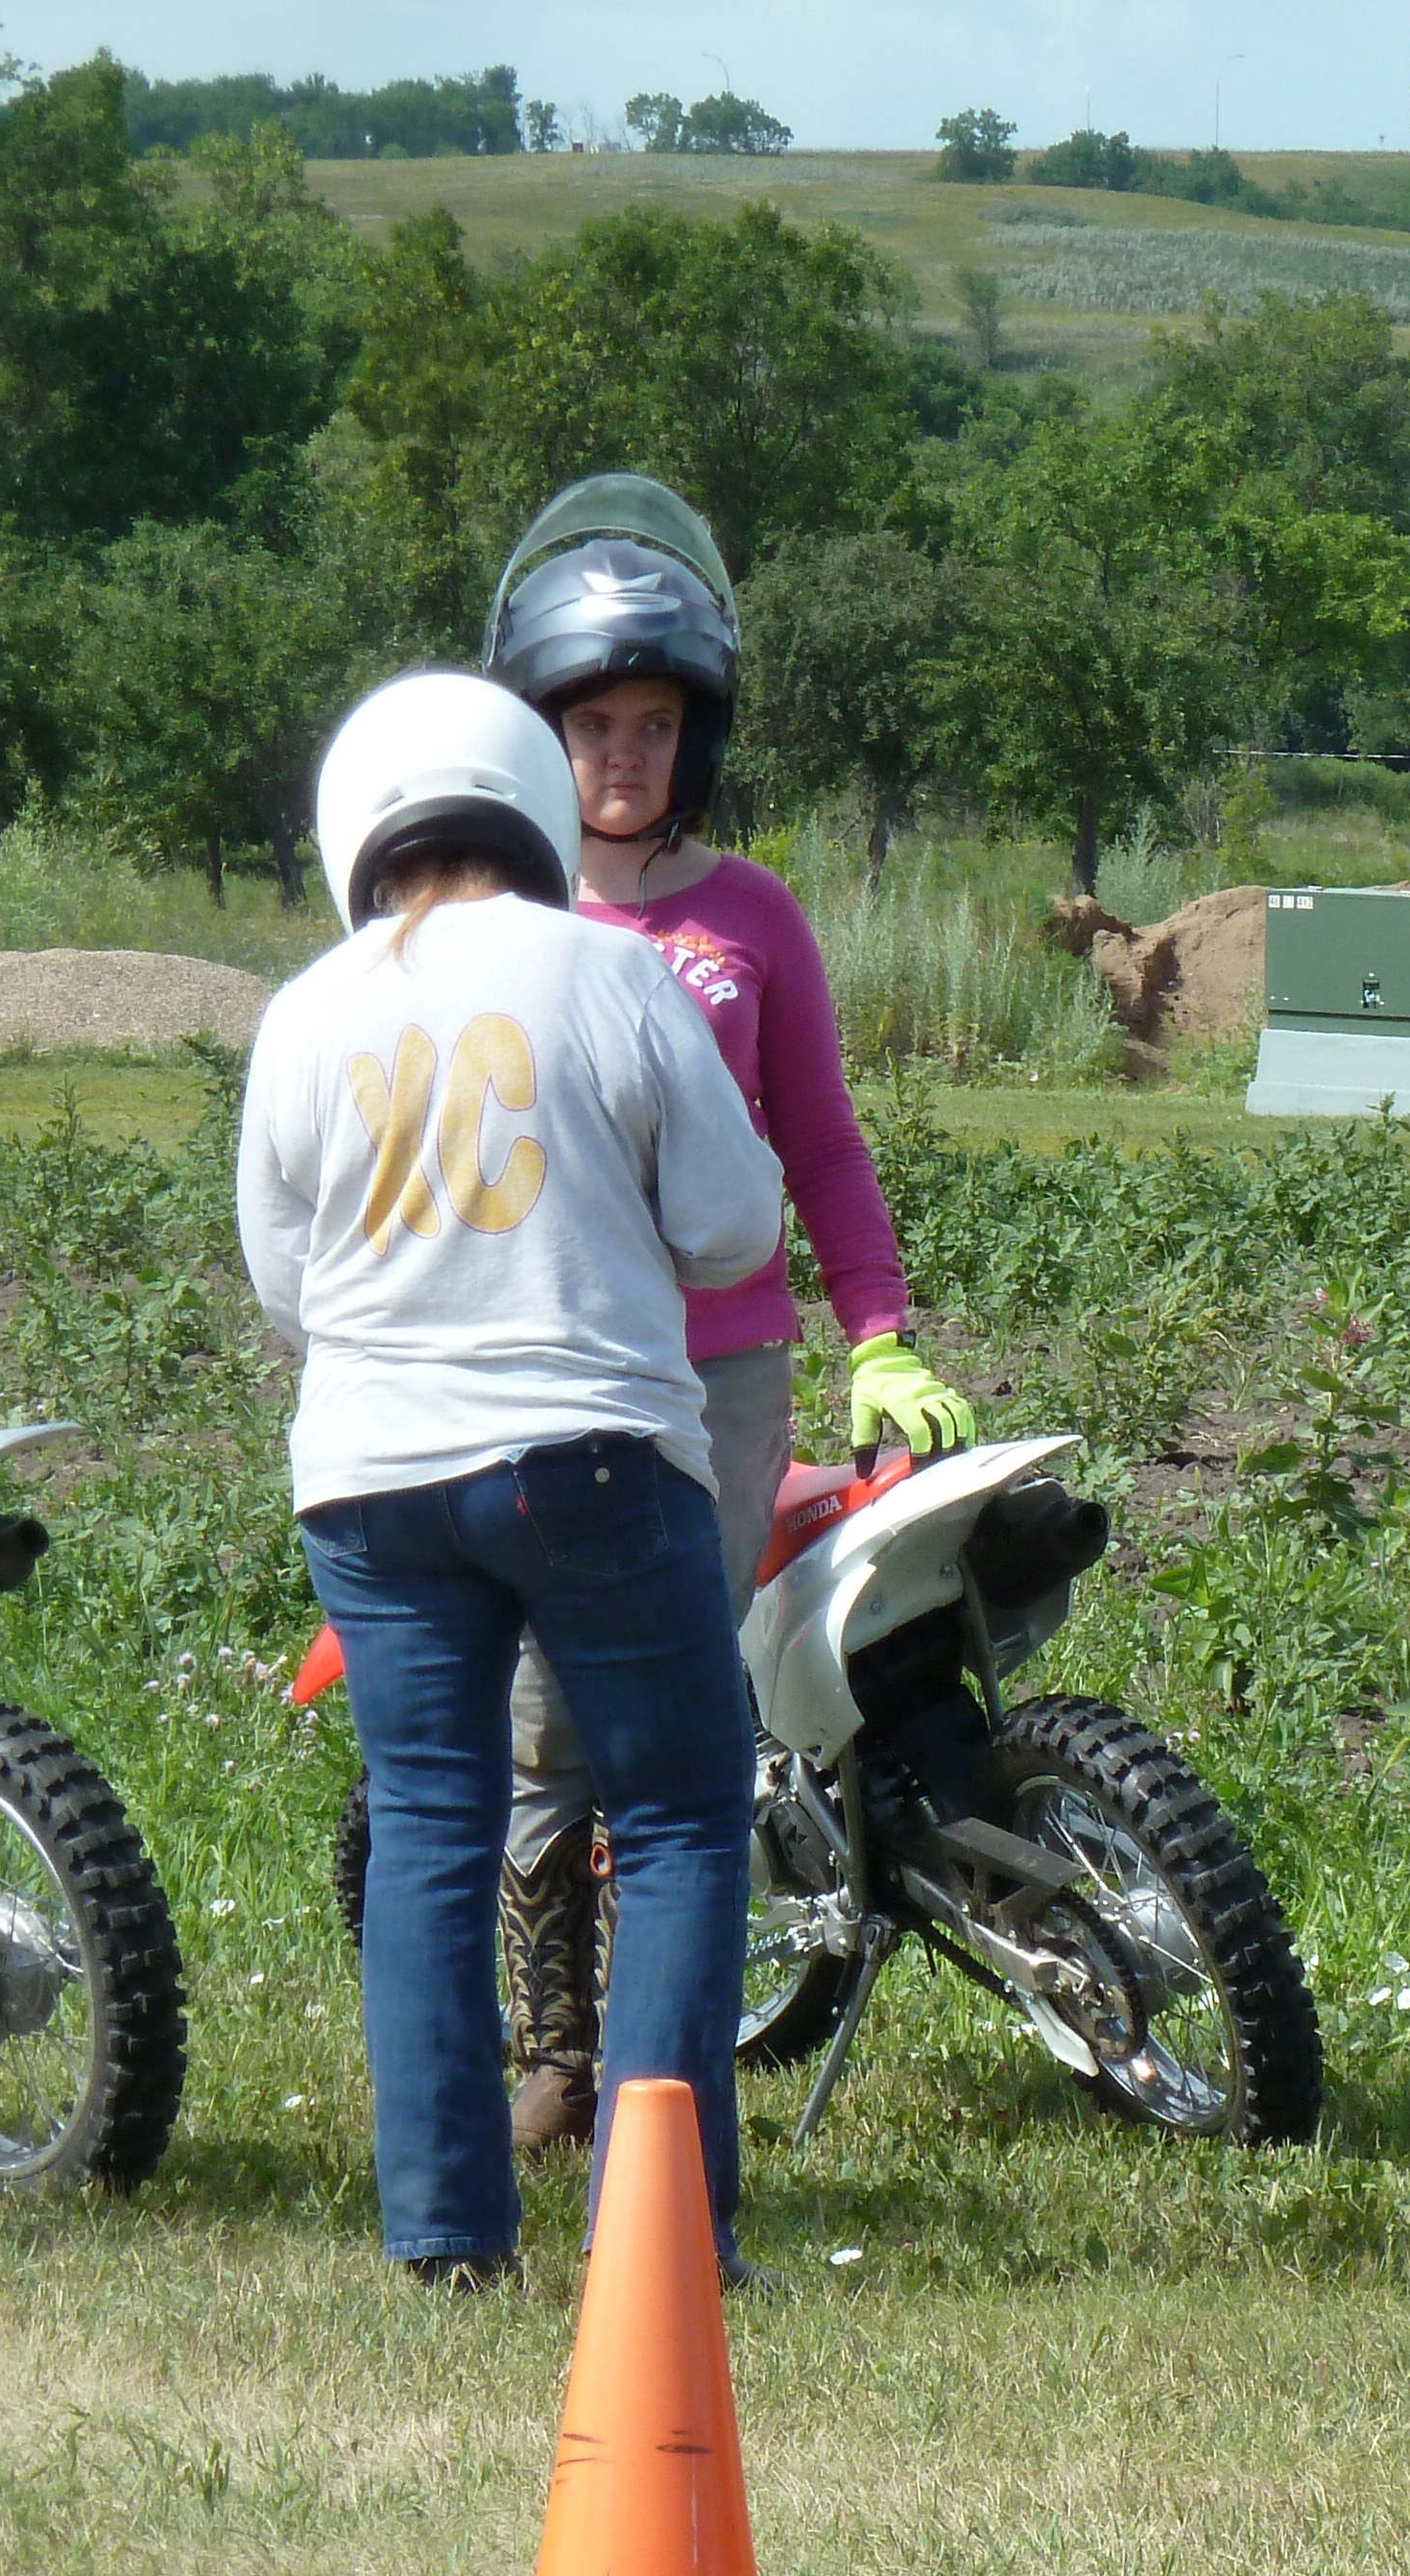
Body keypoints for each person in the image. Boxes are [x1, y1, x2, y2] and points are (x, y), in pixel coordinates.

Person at [237, 671, 783, 2285]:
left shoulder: (306, 1008)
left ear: (359, 829)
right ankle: (661, 2241)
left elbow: (285, 1280)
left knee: (429, 1828)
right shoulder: (609, 972)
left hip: (369, 1477)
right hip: (589, 1451)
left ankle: (445, 2239)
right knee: (678, 1818)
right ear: (533, 809)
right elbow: (734, 1226)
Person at [474, 478, 975, 2153]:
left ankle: (661, 2065)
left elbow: (820, 1142)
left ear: (699, 735)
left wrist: (878, 1330)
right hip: (547, 1365)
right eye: (590, 724)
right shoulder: (500, 916)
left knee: (681, 1705)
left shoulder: (750, 914)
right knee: (546, 1717)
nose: (623, 755)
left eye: (655, 723)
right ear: (539, 734)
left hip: (722, 1369)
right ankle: (556, 2049)